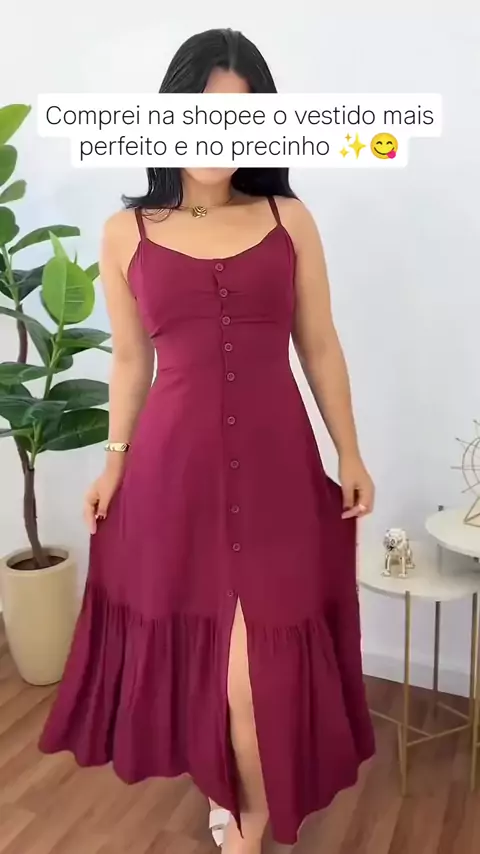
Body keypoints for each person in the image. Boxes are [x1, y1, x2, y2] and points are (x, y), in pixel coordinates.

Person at [39, 27, 375, 854]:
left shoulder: (289, 219)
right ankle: (232, 799)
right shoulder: (126, 232)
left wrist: (350, 452)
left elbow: (319, 343)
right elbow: (130, 361)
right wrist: (112, 464)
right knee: (213, 666)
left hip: (277, 475)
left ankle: (247, 827)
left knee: (251, 673)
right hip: (173, 478)